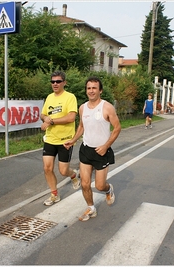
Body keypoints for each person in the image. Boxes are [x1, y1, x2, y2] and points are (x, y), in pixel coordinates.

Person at [64, 76, 121, 222]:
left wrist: (106, 146)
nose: (91, 91)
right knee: (84, 183)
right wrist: (73, 140)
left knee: (100, 185)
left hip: (102, 151)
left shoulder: (107, 107)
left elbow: (117, 128)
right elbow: (82, 126)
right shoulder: (82, 108)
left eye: (94, 88)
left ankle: (108, 190)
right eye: (89, 88)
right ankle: (91, 208)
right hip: (86, 149)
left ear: (100, 90)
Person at [40, 70, 80, 206]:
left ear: (64, 83)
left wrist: (51, 121)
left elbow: (71, 117)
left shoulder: (70, 97)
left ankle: (73, 175)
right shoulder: (50, 97)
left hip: (65, 140)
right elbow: (43, 114)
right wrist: (45, 118)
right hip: (50, 138)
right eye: (53, 81)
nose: (55, 84)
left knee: (63, 171)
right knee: (47, 168)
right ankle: (54, 194)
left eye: (58, 81)